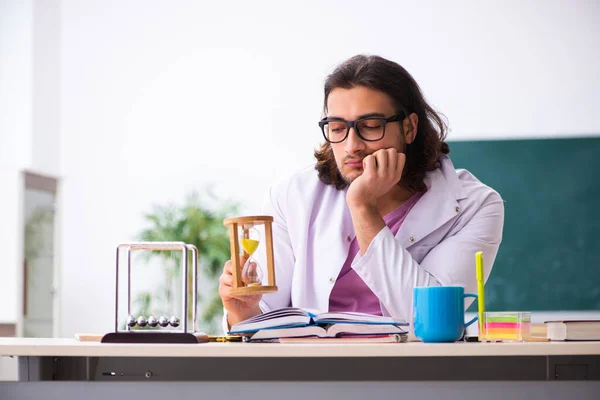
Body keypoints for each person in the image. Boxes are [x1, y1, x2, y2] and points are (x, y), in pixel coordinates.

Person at [219, 55, 504, 331]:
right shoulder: (292, 195)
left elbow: (428, 321)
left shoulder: (474, 205)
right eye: (337, 128)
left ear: (409, 127)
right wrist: (244, 313)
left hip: (412, 372)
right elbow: (264, 319)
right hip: (310, 371)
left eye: (370, 127)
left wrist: (363, 207)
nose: (352, 145)